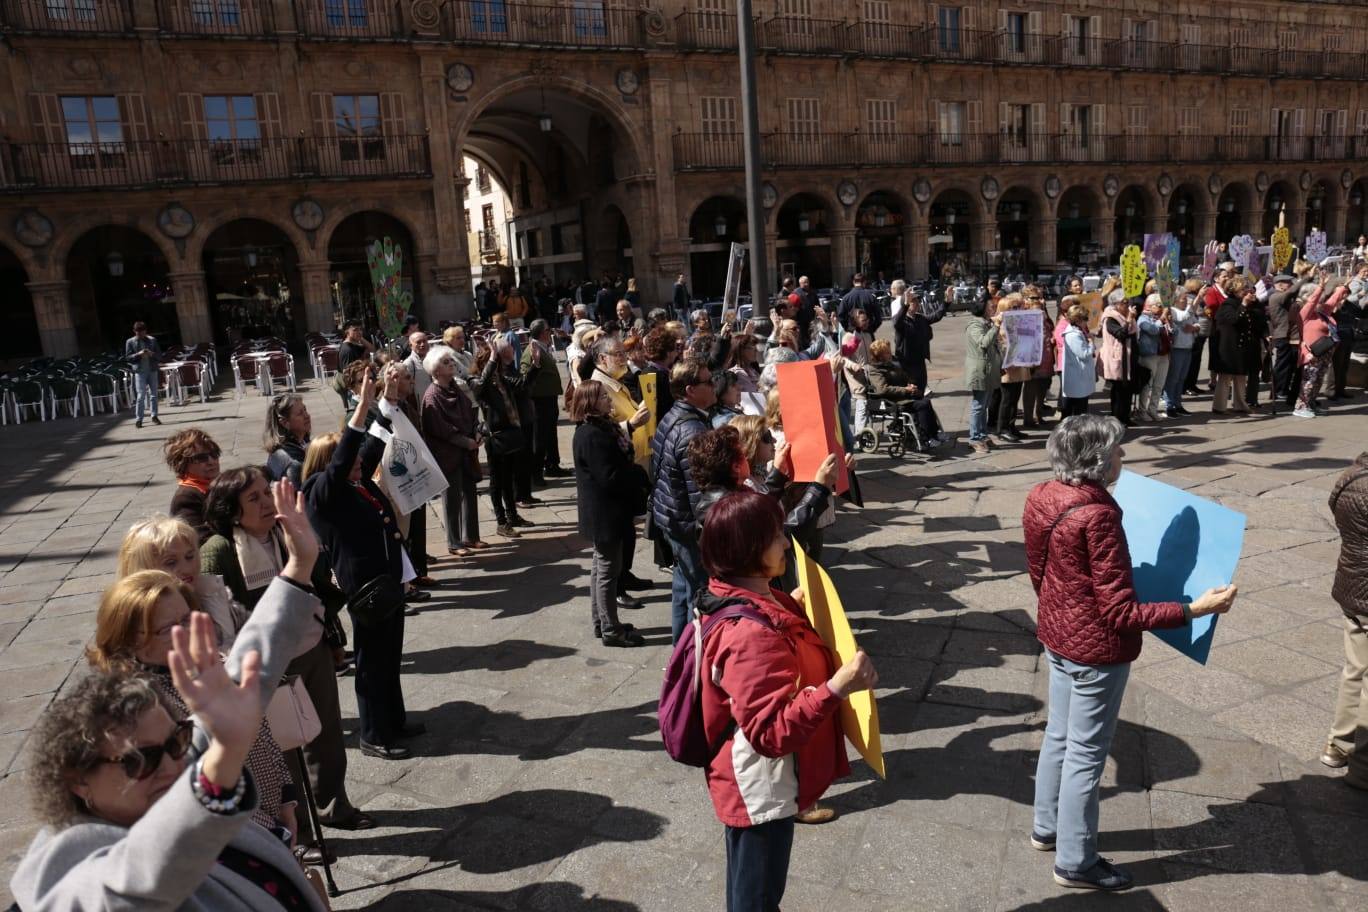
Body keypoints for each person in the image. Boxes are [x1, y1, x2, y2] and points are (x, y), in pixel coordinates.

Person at [1023, 415, 1237, 891]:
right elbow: (1120, 613)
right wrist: (1192, 608)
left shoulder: (1042, 495)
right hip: (1095, 652)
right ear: (1097, 461)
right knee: (1085, 754)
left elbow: (1040, 570)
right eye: (1117, 450)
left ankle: (1047, 829)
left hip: (1057, 636)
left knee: (1059, 737)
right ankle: (1076, 862)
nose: (1123, 457)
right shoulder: (1098, 515)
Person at [13, 615, 330, 911]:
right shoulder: (70, 861)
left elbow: (251, 670)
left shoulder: (166, 792)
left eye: (176, 741)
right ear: (78, 780)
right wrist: (223, 758)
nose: (171, 766)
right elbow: (130, 887)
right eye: (140, 759)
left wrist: (296, 573)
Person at [694, 490, 877, 912]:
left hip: (749, 777)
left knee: (750, 886)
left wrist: (783, 605)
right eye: (776, 535)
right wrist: (837, 688)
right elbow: (771, 732)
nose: (784, 542)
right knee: (756, 898)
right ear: (751, 550)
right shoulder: (749, 633)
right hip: (760, 789)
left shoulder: (732, 592)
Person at [198, 471, 371, 847]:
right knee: (284, 750)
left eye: (266, 493)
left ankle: (334, 806)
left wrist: (332, 633)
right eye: (254, 498)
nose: (265, 503)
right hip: (266, 664)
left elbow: (318, 585)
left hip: (312, 648)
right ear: (232, 511)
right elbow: (220, 620)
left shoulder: (284, 532)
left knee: (325, 736)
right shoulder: (219, 549)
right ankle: (302, 829)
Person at [302, 375, 421, 760]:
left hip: (388, 581)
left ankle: (394, 720)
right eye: (349, 460)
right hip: (366, 588)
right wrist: (355, 415)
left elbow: (370, 446)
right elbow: (349, 454)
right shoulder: (322, 491)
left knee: (390, 656)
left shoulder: (357, 485)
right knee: (371, 663)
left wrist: (383, 403)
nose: (359, 463)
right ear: (329, 462)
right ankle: (372, 734)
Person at [571, 380, 651, 647]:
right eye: (603, 397)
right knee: (608, 571)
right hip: (605, 513)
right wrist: (637, 473)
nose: (608, 400)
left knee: (600, 568)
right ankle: (611, 629)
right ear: (590, 403)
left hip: (605, 511)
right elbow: (609, 477)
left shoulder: (599, 428)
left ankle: (602, 621)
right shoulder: (591, 434)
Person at [651, 359, 717, 643]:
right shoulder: (693, 431)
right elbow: (699, 492)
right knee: (698, 594)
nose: (714, 386)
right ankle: (691, 657)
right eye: (708, 381)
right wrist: (709, 531)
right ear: (690, 390)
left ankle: (680, 647)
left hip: (672, 519)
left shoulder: (674, 416)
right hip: (687, 526)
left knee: (682, 587)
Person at [1321, 452, 1368, 787]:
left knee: (1355, 669)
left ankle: (1338, 746)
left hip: (1352, 586)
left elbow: (1334, 509)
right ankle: (1363, 765)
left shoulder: (1349, 477)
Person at [422, 345, 488, 556]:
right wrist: (465, 441)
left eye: (451, 361)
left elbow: (470, 411)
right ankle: (454, 542)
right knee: (451, 498)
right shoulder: (432, 395)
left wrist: (476, 432)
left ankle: (472, 536)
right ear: (435, 370)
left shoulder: (455, 388)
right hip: (447, 453)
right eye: (445, 362)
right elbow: (440, 428)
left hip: (466, 449)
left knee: (470, 491)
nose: (451, 364)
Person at [473, 338, 533, 536]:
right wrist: (492, 358)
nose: (498, 364)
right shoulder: (475, 380)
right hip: (495, 437)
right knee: (497, 481)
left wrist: (536, 365)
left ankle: (512, 515)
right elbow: (480, 387)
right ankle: (501, 522)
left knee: (509, 478)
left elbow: (522, 384)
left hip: (509, 433)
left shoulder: (501, 380)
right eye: (494, 361)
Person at [864, 339, 946, 450]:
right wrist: (905, 390)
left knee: (926, 401)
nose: (890, 354)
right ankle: (927, 438)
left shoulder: (892, 363)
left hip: (904, 396)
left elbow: (904, 377)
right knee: (922, 405)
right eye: (887, 352)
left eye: (889, 351)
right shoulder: (875, 369)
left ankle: (934, 433)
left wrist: (910, 385)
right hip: (891, 401)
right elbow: (882, 389)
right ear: (880, 355)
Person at [521, 319, 567, 483]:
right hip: (539, 401)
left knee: (550, 434)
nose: (551, 332)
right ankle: (536, 472)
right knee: (539, 438)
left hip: (549, 399)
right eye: (548, 330)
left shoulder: (543, 347)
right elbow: (526, 375)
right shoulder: (531, 350)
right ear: (542, 332)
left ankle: (552, 465)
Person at [1294, 283, 1346, 418]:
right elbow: (1312, 302)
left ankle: (1311, 405)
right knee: (1309, 381)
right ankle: (1300, 407)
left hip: (1325, 353)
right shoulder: (1305, 314)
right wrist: (1321, 287)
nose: (1321, 303)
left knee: (1318, 381)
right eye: (1319, 300)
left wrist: (1343, 287)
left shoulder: (1322, 313)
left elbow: (1333, 300)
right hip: (1311, 354)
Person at [165, 428, 222, 544]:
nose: (211, 461)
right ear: (183, 463)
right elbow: (200, 539)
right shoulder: (185, 498)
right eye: (201, 458)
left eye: (214, 454)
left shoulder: (219, 485)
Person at [964, 296, 1003, 454]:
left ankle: (982, 434)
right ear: (982, 308)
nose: (993, 308)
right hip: (979, 371)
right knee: (978, 406)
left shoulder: (986, 323)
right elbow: (983, 343)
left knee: (984, 405)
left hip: (988, 370)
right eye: (990, 306)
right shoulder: (975, 325)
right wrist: (996, 326)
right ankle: (974, 438)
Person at [995, 294, 1031, 441]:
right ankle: (1002, 429)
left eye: (1018, 306)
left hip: (1019, 364)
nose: (1018, 309)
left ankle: (1011, 426)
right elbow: (999, 346)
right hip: (1008, 366)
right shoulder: (999, 324)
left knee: (1015, 398)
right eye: (1014, 307)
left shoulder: (1017, 321)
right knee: (1007, 399)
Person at [1098, 290, 1137, 425]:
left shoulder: (1123, 315)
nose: (1128, 306)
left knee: (1127, 389)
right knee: (1119, 390)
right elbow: (1121, 334)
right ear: (1115, 304)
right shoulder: (1110, 318)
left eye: (1128, 302)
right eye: (1124, 303)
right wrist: (1129, 319)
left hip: (1127, 357)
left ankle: (1125, 417)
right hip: (1117, 358)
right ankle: (1117, 419)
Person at [1163, 287, 1200, 416]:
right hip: (1177, 348)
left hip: (1188, 348)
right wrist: (1195, 301)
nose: (1186, 301)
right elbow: (1182, 318)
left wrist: (1194, 327)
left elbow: (1196, 322)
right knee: (1174, 378)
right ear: (1176, 300)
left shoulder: (1187, 310)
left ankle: (1178, 404)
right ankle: (1169, 405)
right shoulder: (1173, 311)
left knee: (1182, 378)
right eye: (1184, 299)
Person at [263, 393, 310, 488]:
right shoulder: (292, 463)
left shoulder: (302, 442)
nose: (307, 415)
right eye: (300, 413)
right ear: (285, 423)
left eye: (305, 409)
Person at [893, 290, 937, 390]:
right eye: (914, 301)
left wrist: (946, 303)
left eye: (918, 301)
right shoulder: (902, 320)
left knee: (921, 385)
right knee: (911, 389)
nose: (917, 304)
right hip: (906, 362)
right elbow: (896, 323)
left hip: (919, 360)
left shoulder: (919, 318)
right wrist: (905, 306)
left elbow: (935, 316)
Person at [1058, 304, 1096, 417]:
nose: (1087, 321)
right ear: (1078, 320)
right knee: (1078, 410)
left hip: (1078, 376)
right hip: (1077, 377)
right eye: (1085, 319)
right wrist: (1091, 342)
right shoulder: (1073, 335)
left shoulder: (1077, 332)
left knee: (1078, 408)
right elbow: (1083, 354)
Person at [1135, 295, 1169, 421]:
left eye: (1161, 306)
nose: (1161, 308)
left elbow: (1173, 332)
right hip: (1149, 355)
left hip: (1163, 354)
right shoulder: (1142, 319)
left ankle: (1153, 410)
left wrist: (1168, 322)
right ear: (1149, 306)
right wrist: (1162, 319)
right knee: (1147, 385)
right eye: (1158, 305)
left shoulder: (1160, 318)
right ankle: (1142, 411)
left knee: (1159, 385)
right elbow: (1153, 330)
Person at [1332, 266, 1364, 400]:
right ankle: (1332, 391)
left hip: (1349, 337)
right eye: (1343, 292)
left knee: (1344, 365)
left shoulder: (1350, 305)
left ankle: (1341, 389)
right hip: (1337, 338)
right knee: (1335, 366)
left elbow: (1362, 313)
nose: (1345, 295)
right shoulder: (1333, 305)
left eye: (1347, 293)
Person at [124, 320, 162, 429]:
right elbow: (128, 358)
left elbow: (159, 355)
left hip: (152, 370)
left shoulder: (152, 340)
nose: (140, 334)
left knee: (154, 394)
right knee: (141, 396)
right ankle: (139, 419)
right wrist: (138, 354)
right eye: (137, 332)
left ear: (145, 331)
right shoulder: (130, 342)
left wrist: (151, 354)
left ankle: (154, 416)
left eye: (142, 332)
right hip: (140, 371)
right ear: (134, 331)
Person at [404, 332, 433, 402]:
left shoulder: (433, 358)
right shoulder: (409, 364)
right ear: (411, 345)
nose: (422, 344)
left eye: (424, 341)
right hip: (421, 406)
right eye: (418, 342)